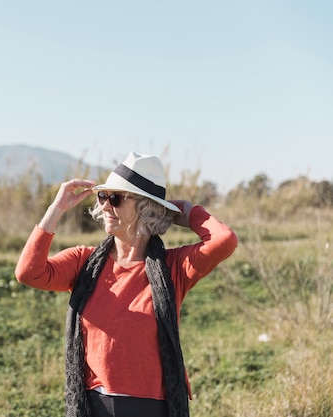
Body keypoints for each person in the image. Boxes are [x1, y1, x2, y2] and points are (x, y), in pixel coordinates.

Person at [15, 151, 238, 417]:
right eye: (103, 197)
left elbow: (224, 240)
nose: (106, 206)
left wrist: (189, 213)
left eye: (116, 198)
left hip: (151, 408)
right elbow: (29, 272)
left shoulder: (174, 267)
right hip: (94, 404)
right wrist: (56, 209)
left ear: (145, 207)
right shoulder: (83, 262)